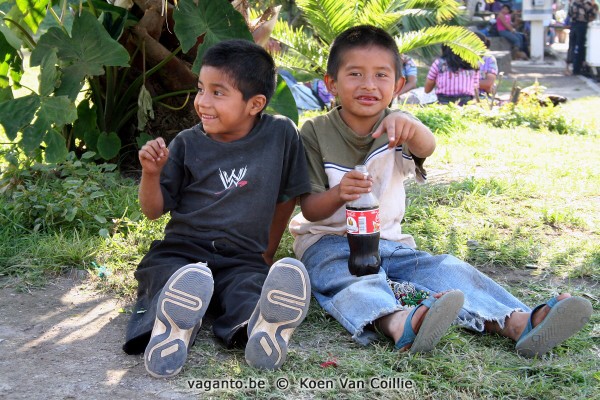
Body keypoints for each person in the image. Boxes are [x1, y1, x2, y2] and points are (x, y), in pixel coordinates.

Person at [289, 25, 593, 357]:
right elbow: (310, 209)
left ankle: (516, 322)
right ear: (331, 83)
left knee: (446, 269)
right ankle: (399, 323)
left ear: (398, 85)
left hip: (388, 243)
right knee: (352, 280)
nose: (368, 85)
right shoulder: (315, 131)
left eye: (380, 75)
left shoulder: (398, 126)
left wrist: (410, 124)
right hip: (327, 244)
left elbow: (427, 147)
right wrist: (338, 194)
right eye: (355, 74)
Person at [123, 39, 312, 378]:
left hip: (241, 257)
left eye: (217, 93)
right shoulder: (187, 143)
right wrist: (151, 174)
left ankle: (260, 330)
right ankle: (173, 329)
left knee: (248, 288)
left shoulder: (281, 135)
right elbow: (153, 210)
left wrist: (267, 251)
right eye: (200, 90)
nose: (202, 102)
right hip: (181, 252)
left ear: (255, 104)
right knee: (166, 278)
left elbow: (288, 196)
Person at [567, 0, 598, 75]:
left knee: (572, 46)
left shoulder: (573, 3)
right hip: (582, 26)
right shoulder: (586, 4)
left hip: (573, 25)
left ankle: (569, 66)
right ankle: (577, 69)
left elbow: (569, 14)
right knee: (580, 47)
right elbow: (593, 13)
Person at [474, 31, 499, 96]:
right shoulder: (461, 58)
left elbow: (488, 84)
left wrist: (464, 83)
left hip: (483, 96)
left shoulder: (489, 59)